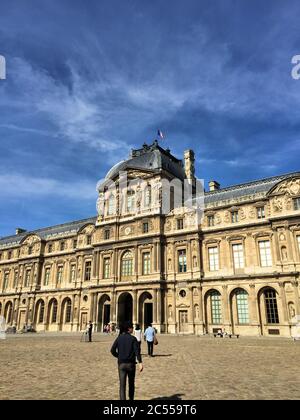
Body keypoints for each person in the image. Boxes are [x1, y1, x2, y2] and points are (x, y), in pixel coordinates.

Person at [111, 321, 143, 401]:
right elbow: (137, 351)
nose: (133, 328)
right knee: (131, 384)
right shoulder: (133, 339)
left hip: (121, 364)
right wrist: (140, 362)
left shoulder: (119, 338)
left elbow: (112, 350)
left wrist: (119, 356)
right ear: (129, 329)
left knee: (122, 385)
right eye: (132, 327)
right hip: (131, 364)